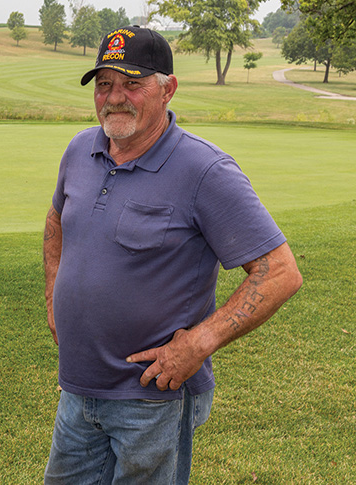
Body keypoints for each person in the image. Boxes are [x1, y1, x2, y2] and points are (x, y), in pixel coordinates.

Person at [42, 26, 303, 484]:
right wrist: (53, 295)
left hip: (152, 398)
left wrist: (197, 345)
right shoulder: (80, 148)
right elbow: (56, 220)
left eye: (132, 83)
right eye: (104, 84)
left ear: (168, 89)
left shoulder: (205, 170)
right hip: (78, 391)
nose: (114, 97)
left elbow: (279, 271)